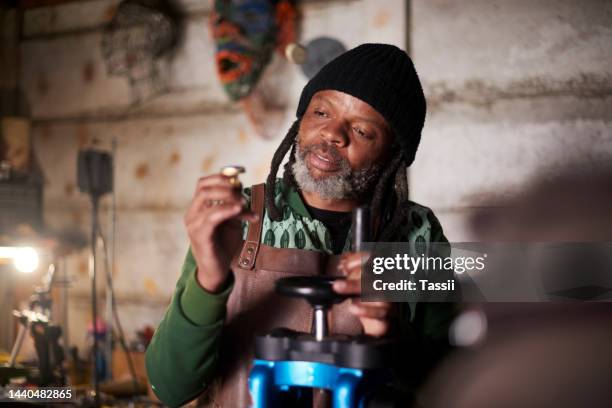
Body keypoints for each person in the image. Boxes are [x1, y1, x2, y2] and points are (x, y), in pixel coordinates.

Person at [145, 43, 459, 407]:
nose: (332, 134)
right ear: (301, 119)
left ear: (393, 154)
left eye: (362, 131)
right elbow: (170, 388)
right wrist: (209, 281)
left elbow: (452, 386)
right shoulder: (235, 218)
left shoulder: (419, 235)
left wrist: (394, 337)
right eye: (321, 112)